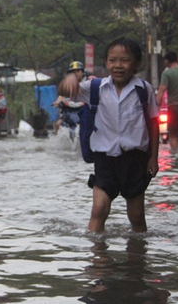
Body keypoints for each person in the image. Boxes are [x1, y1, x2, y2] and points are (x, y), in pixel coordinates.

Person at [58, 37, 159, 233]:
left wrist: (154, 157)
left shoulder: (143, 90)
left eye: (125, 60)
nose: (118, 66)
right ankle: (96, 258)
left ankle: (138, 257)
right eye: (112, 60)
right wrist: (69, 79)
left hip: (135, 159)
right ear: (106, 63)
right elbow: (65, 91)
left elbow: (154, 124)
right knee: (98, 209)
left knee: (137, 216)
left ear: (136, 64)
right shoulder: (95, 88)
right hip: (105, 159)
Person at [53, 61, 84, 134]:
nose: (76, 73)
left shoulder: (87, 84)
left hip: (83, 111)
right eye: (73, 72)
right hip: (68, 111)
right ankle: (57, 140)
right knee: (58, 124)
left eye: (78, 71)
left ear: (82, 72)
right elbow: (62, 95)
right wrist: (57, 102)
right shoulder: (66, 85)